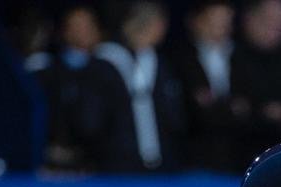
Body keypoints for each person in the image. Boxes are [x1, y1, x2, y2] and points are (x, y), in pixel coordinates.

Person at [32, 6, 136, 173]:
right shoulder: (48, 74)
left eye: (88, 26)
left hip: (100, 166)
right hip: (56, 164)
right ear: (64, 31)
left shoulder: (107, 72)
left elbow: (122, 122)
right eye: (77, 26)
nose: (83, 31)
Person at [95, 2, 186, 172]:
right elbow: (94, 119)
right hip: (116, 163)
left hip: (159, 162)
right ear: (157, 25)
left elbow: (174, 116)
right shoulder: (106, 61)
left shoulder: (158, 62)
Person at [174, 0, 246, 171]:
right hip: (193, 158)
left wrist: (215, 105)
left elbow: (249, 106)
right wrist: (229, 108)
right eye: (213, 21)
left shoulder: (243, 57)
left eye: (225, 22)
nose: (220, 29)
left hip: (237, 155)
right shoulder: (178, 59)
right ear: (195, 21)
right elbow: (188, 110)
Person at [233, 0, 281, 159]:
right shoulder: (228, 56)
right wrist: (262, 112)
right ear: (248, 18)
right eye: (268, 21)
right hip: (236, 152)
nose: (275, 30)